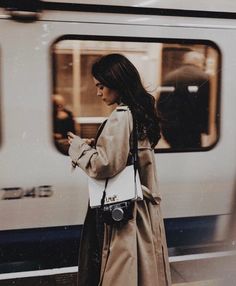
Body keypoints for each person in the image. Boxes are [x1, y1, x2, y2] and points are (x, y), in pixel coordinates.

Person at [68, 53, 171, 286]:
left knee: (122, 271)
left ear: (117, 82)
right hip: (143, 209)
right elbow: (127, 153)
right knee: (145, 271)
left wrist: (77, 148)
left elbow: (103, 165)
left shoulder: (121, 117)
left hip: (126, 215)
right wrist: (100, 144)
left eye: (101, 86)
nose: (98, 92)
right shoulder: (140, 114)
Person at [157, 51, 210, 149]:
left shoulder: (170, 76)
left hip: (170, 128)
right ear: (199, 62)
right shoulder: (204, 78)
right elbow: (206, 105)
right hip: (192, 128)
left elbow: (161, 103)